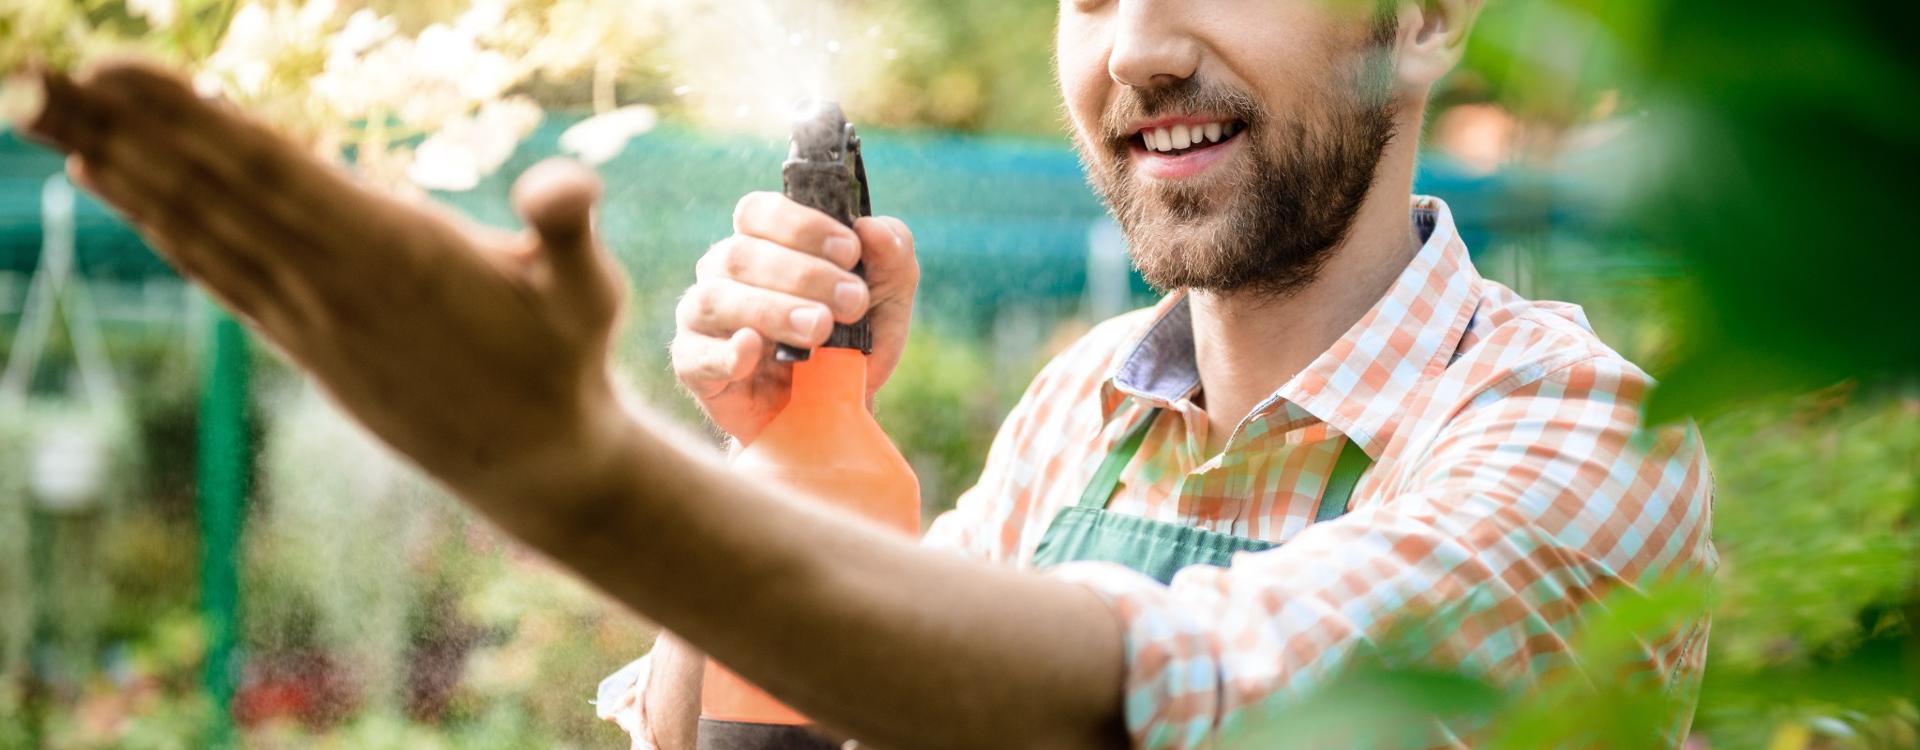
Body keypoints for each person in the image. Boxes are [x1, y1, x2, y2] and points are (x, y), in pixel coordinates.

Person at [15, 0, 1713, 746]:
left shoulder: (1583, 443)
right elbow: (796, 729)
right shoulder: (1077, 421)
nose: (1134, 47)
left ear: (1422, 16)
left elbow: (1170, 698)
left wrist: (582, 476)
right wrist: (767, 456)